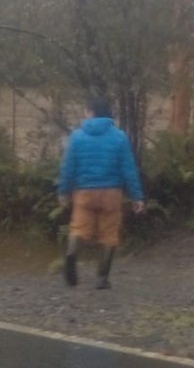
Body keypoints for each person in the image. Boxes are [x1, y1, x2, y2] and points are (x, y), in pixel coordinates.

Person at [58, 96, 145, 289]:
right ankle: (102, 278)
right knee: (109, 234)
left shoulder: (77, 137)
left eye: (86, 110)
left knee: (79, 229)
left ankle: (71, 255)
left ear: (90, 112)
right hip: (111, 193)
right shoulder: (119, 137)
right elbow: (128, 169)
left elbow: (68, 167)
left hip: (84, 192)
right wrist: (136, 196)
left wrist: (63, 191)